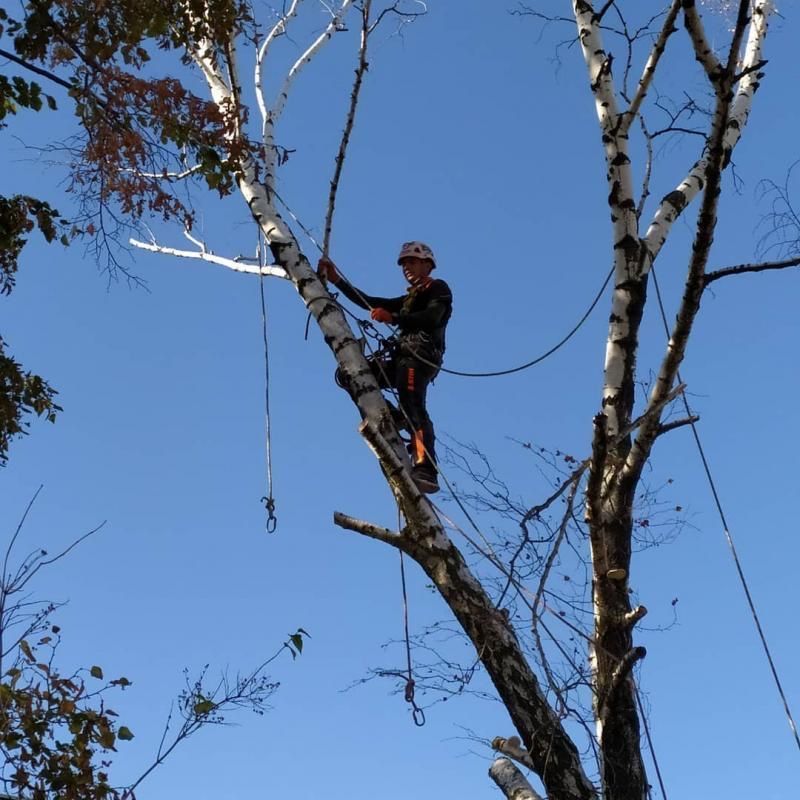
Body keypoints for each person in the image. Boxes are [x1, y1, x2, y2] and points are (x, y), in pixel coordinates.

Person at [318, 241, 452, 494]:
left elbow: (431, 317)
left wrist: (395, 318)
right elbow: (370, 301)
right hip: (401, 358)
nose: (406, 268)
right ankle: (394, 415)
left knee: (413, 403)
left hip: (419, 358)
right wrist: (337, 281)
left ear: (427, 264)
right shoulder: (410, 298)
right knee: (350, 374)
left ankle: (426, 467)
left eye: (411, 262)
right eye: (404, 264)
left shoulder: (437, 288)